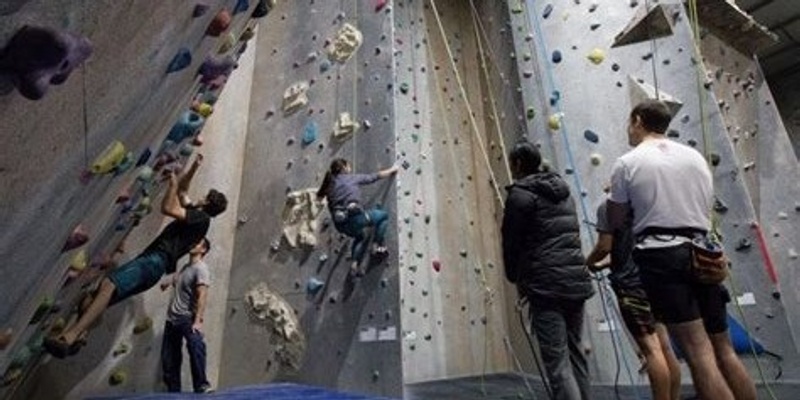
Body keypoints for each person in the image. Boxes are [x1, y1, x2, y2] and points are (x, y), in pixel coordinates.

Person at [607, 100, 756, 400]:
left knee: (698, 352)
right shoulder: (695, 157)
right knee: (724, 349)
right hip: (705, 252)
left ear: (637, 120)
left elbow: (616, 220)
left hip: (662, 255)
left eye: (629, 123)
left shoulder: (627, 162)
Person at [44, 154, 228, 358]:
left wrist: (172, 183)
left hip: (154, 261)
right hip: (153, 265)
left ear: (207, 202)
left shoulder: (201, 219)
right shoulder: (198, 217)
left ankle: (70, 336)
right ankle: (81, 337)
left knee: (109, 285)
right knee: (91, 299)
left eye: (205, 196)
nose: (201, 196)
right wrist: (194, 166)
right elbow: (183, 192)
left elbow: (168, 208)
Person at [501, 141, 594, 400]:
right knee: (575, 352)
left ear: (518, 164)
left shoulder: (520, 196)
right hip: (575, 280)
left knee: (557, 361)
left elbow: (512, 242)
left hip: (546, 285)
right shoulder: (564, 193)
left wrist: (514, 277)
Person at [586, 194, 681, 400]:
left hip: (631, 286)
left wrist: (589, 262)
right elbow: (632, 248)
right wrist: (606, 265)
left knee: (651, 350)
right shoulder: (646, 203)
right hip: (656, 280)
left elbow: (604, 246)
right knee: (665, 347)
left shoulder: (609, 207)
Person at [316, 158, 397, 276]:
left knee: (359, 237)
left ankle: (354, 264)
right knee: (383, 216)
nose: (350, 168)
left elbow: (318, 199)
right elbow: (373, 177)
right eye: (348, 166)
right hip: (355, 219)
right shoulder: (351, 178)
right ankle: (375, 246)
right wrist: (393, 169)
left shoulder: (329, 184)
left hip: (340, 225)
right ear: (343, 167)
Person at [160, 237, 213, 394]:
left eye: (197, 243)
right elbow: (180, 277)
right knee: (169, 359)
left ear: (203, 250)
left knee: (196, 346)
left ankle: (201, 385)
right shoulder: (186, 267)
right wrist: (168, 281)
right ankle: (173, 392)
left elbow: (202, 295)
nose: (193, 243)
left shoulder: (201, 269)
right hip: (172, 319)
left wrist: (197, 321)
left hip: (186, 318)